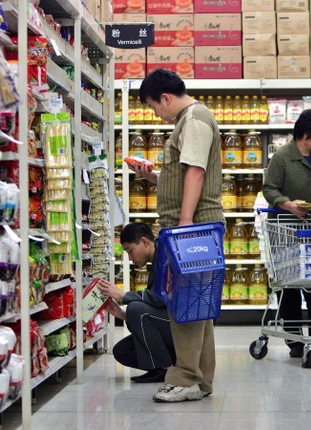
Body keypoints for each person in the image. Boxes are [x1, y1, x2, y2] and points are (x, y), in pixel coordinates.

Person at [129, 69, 224, 403]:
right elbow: (185, 175)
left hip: (193, 227)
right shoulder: (187, 121)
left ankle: (184, 378)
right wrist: (153, 177)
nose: (157, 114)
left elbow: (196, 171)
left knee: (184, 305)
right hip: (191, 226)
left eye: (155, 107)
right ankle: (200, 380)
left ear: (165, 97)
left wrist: (184, 223)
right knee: (198, 305)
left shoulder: (194, 118)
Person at [262, 109, 311, 358]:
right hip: (286, 230)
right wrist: (289, 204)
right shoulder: (282, 157)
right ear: (306, 134)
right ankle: (294, 340)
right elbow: (269, 189)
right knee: (289, 288)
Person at [96, 223, 176, 383]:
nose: (130, 259)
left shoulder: (165, 257)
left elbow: (160, 298)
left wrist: (123, 296)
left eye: (130, 251)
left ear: (145, 242)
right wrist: (122, 315)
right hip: (168, 321)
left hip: (180, 324)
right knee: (122, 351)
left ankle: (165, 369)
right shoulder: (157, 258)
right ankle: (166, 364)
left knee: (135, 308)